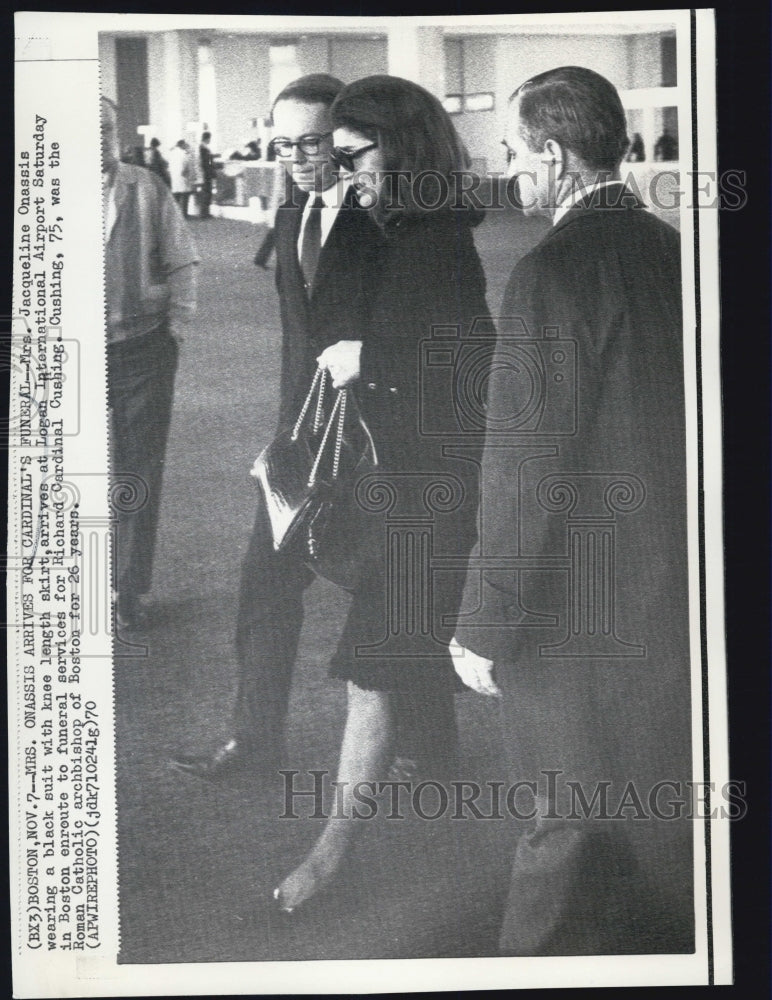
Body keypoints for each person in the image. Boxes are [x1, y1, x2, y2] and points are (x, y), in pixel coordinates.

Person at [451, 66, 693, 955]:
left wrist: (482, 625)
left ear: (553, 154)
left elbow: (523, 469)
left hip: (575, 600)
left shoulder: (552, 274)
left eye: (518, 153)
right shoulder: (670, 250)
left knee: (562, 815)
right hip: (668, 582)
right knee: (660, 802)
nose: (516, 171)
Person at [268, 73, 490, 912]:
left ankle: (331, 853)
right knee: (398, 651)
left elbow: (475, 376)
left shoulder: (434, 241)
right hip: (402, 483)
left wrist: (375, 360)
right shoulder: (398, 225)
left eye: (355, 154)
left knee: (372, 668)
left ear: (400, 147)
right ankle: (437, 757)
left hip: (432, 492)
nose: (344, 170)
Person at [101, 97, 199, 630]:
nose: (98, 137)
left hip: (142, 350)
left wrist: (175, 333)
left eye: (107, 128)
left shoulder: (145, 187)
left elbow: (183, 260)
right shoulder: (35, 188)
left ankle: (127, 590)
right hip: (64, 357)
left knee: (137, 471)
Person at [168, 139, 194, 217]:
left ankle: (175, 215)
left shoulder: (172, 153)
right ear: (182, 145)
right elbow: (186, 165)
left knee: (176, 196)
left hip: (174, 176)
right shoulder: (184, 153)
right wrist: (188, 174)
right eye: (185, 144)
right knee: (185, 195)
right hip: (183, 176)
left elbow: (169, 165)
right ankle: (184, 214)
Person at [197, 131, 216, 218]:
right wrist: (211, 171)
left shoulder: (202, 148)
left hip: (205, 172)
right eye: (209, 139)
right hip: (206, 173)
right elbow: (206, 162)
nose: (210, 140)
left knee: (206, 192)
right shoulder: (203, 149)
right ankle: (204, 212)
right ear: (207, 138)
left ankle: (204, 212)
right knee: (207, 192)